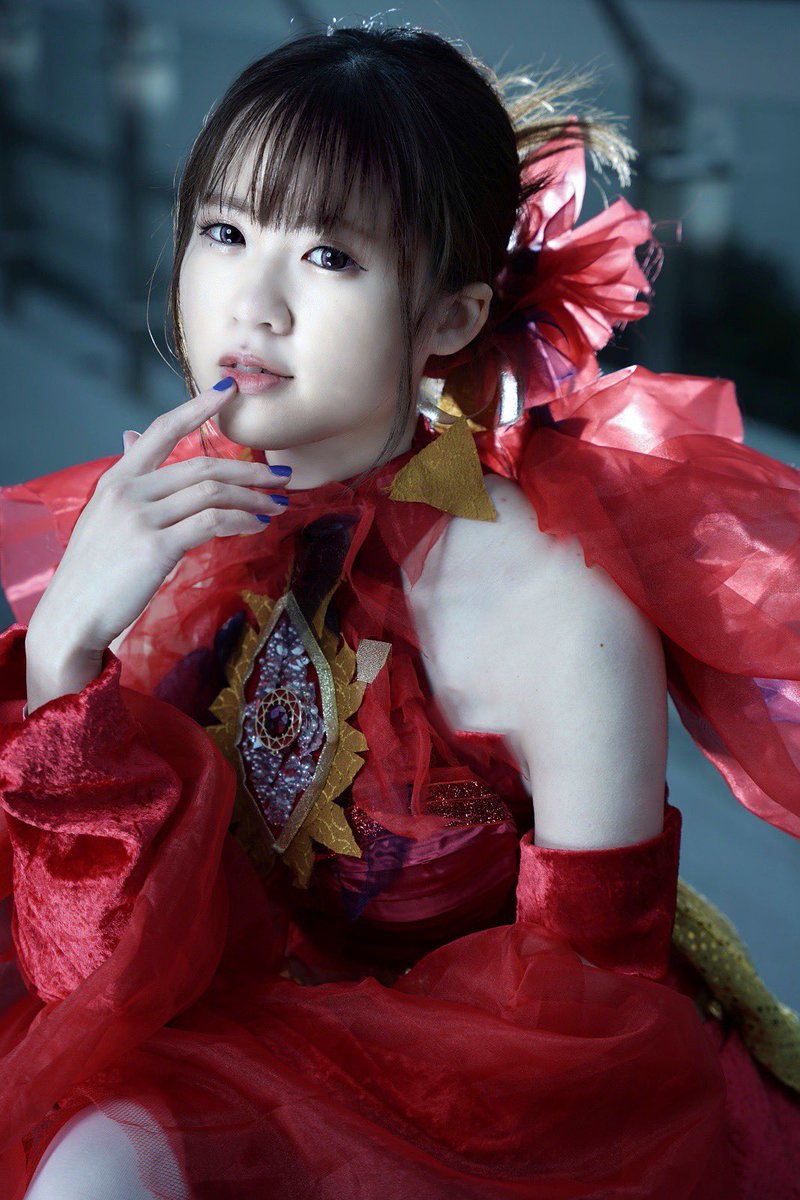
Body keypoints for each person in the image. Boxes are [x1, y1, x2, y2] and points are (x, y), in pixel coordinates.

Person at [0, 23, 798, 1200]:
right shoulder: (161, 539)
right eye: (223, 232)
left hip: (487, 1119)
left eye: (328, 256)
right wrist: (66, 651)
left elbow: (599, 1047)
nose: (251, 304)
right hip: (197, 1053)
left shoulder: (556, 601)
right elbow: (91, 979)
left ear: (450, 319)